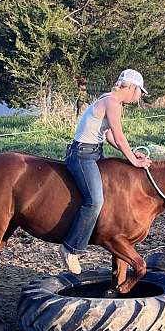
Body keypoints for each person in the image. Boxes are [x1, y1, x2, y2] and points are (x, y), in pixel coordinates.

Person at [59, 69, 152, 274]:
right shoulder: (111, 102)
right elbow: (119, 137)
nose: (137, 98)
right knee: (95, 201)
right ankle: (70, 248)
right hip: (83, 156)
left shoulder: (110, 101)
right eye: (138, 93)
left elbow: (109, 135)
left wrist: (132, 153)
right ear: (132, 88)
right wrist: (133, 162)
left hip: (94, 152)